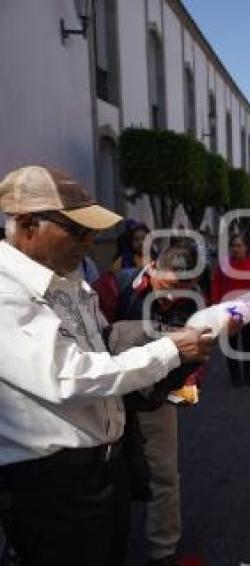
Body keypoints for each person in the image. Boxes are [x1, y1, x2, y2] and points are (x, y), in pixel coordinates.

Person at [0, 165, 213, 565]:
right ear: (27, 224)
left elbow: (104, 343)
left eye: (93, 229)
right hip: (52, 484)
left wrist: (165, 340)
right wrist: (168, 350)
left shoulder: (67, 278)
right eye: (78, 230)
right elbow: (70, 376)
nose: (91, 240)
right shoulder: (6, 290)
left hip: (100, 467)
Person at [95, 243, 206, 566]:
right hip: (105, 396)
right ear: (152, 266)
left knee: (165, 475)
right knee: (107, 478)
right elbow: (95, 342)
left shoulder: (194, 299)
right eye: (169, 286)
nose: (173, 298)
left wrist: (190, 380)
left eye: (185, 288)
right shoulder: (112, 287)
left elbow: (197, 346)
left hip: (155, 397)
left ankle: (163, 550)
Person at [211, 233, 250, 387]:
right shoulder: (224, 265)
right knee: (231, 345)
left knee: (248, 344)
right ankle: (235, 377)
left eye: (239, 245)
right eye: (233, 245)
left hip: (247, 311)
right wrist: (216, 305)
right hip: (227, 311)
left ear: (246, 247)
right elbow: (216, 285)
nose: (235, 249)